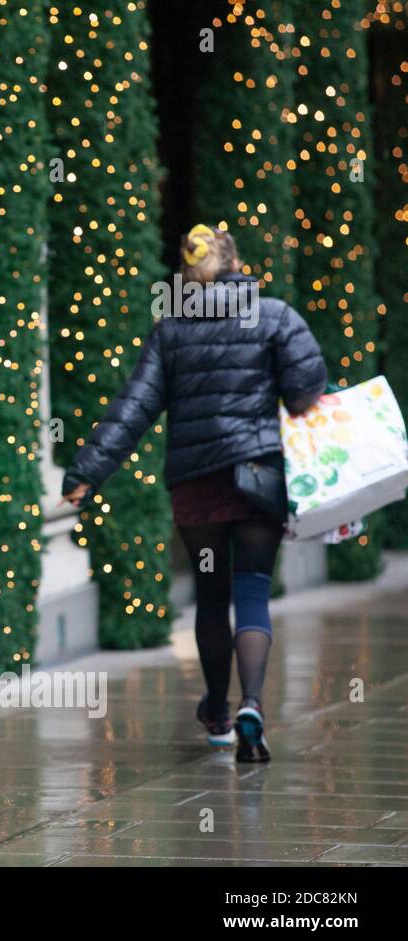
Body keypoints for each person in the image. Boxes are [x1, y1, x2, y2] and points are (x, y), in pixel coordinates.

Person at [62, 223, 326, 763]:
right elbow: (304, 393)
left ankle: (220, 714)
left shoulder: (171, 329)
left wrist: (87, 471)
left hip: (197, 489)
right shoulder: (275, 316)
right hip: (258, 480)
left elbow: (133, 409)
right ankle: (253, 703)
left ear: (187, 274)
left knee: (211, 597)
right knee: (252, 590)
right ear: (235, 265)